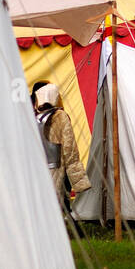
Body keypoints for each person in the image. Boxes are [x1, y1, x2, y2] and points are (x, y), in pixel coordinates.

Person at [32, 82, 91, 213]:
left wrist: (78, 179)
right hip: (49, 166)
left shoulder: (35, 116)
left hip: (51, 166)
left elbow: (69, 148)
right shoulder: (56, 116)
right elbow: (70, 149)